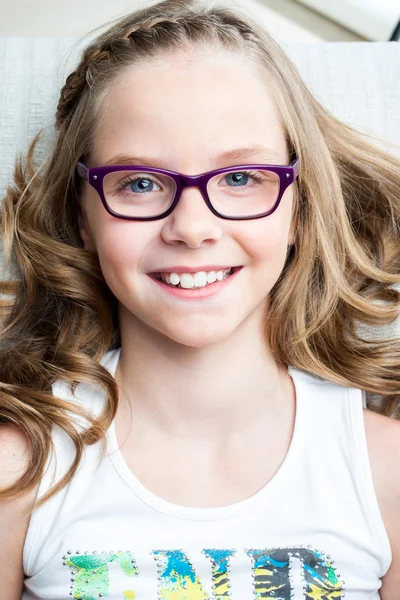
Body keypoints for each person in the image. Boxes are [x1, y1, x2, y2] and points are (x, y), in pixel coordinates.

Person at [0, 0, 399, 598]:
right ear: (81, 216)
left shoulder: (384, 472)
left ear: (299, 207)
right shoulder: (18, 471)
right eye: (139, 183)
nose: (192, 227)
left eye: (240, 179)